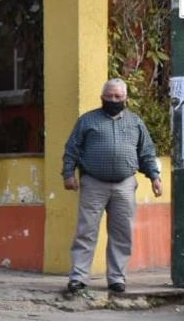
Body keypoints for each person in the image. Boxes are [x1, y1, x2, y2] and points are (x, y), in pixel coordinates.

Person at [62, 78, 162, 294]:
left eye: (118, 96)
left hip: (125, 184)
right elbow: (72, 148)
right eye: (110, 96)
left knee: (121, 233)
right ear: (102, 97)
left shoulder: (135, 122)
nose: (114, 100)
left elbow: (146, 152)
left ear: (125, 98)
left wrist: (154, 176)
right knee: (86, 231)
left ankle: (117, 278)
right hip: (93, 183)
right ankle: (78, 277)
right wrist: (68, 174)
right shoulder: (87, 121)